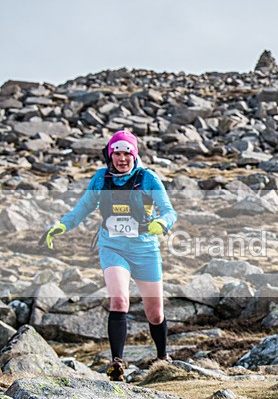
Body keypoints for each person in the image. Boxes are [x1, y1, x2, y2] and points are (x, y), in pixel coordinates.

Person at [42, 130, 177, 381]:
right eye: (117, 153)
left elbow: (169, 210)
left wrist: (162, 223)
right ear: (110, 155)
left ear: (134, 155)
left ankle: (162, 357)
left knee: (155, 314)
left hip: (145, 249)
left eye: (127, 153)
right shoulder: (101, 178)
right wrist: (62, 225)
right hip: (113, 247)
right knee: (119, 301)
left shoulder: (147, 178)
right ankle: (117, 364)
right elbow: (84, 207)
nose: (122, 158)